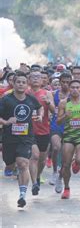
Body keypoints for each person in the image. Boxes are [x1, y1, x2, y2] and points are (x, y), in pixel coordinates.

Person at [0, 72, 43, 207]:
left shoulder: (31, 99)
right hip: (9, 138)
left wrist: (40, 115)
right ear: (13, 83)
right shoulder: (6, 99)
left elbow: (40, 107)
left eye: (23, 82)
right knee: (10, 164)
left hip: (26, 138)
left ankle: (22, 195)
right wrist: (6, 122)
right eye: (18, 82)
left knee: (23, 163)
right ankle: (10, 166)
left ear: (27, 84)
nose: (21, 84)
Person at [56, 80, 80, 199]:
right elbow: (58, 121)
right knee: (65, 164)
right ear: (69, 89)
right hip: (68, 136)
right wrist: (65, 116)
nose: (74, 89)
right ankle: (66, 188)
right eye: (72, 87)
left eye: (77, 87)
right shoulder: (64, 103)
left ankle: (76, 163)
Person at [27, 71, 54, 196]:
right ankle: (34, 184)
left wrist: (48, 102)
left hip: (43, 130)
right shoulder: (25, 93)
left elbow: (54, 110)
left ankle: (37, 176)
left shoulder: (47, 93)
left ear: (43, 80)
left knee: (42, 160)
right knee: (35, 156)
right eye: (33, 77)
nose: (36, 79)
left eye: (39, 77)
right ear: (29, 79)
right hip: (28, 131)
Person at [50, 72, 71, 193]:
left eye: (68, 82)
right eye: (63, 82)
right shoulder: (54, 94)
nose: (65, 84)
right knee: (56, 147)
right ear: (60, 82)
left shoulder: (75, 95)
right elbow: (52, 109)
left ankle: (60, 177)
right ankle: (54, 171)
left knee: (66, 157)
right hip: (56, 125)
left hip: (69, 128)